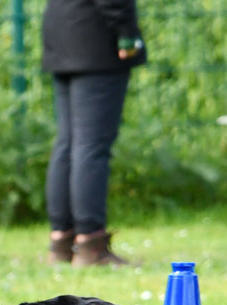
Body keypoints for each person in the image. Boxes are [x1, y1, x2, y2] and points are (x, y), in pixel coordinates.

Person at [41, 0, 147, 266]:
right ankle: (90, 243)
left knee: (68, 142)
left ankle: (61, 241)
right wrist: (126, 32)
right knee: (90, 146)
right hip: (96, 40)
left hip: (60, 31)